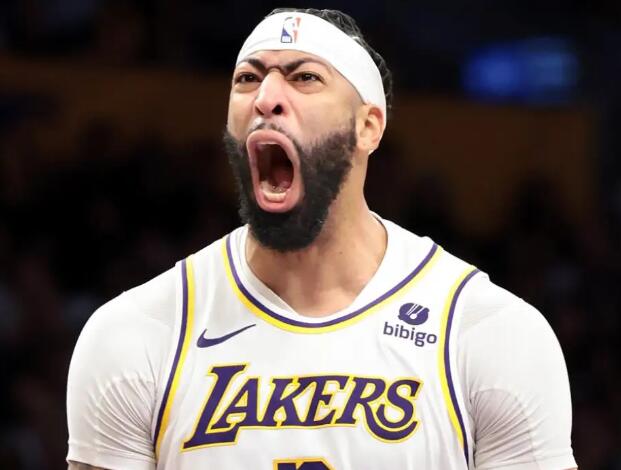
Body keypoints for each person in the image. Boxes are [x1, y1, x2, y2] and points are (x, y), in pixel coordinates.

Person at [66, 8, 577, 470]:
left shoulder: (488, 332)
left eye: (304, 77)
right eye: (247, 78)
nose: (266, 98)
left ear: (368, 126)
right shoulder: (136, 334)